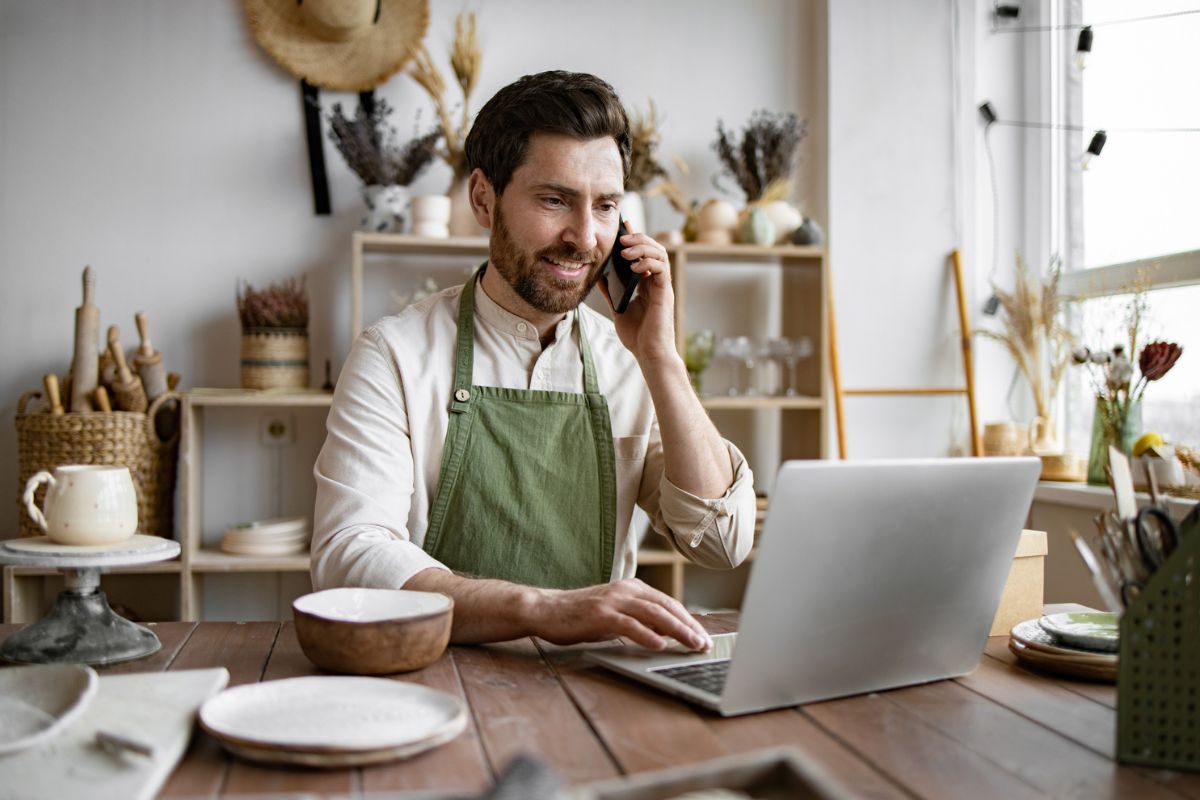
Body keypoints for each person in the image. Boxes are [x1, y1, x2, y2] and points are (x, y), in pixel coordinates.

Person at [312, 70, 756, 653]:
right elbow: (351, 555)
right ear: (482, 198)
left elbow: (721, 545)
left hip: (597, 685)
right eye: (554, 200)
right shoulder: (393, 355)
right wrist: (542, 609)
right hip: (444, 675)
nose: (584, 236)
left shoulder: (633, 366)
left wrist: (662, 357)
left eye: (605, 207)